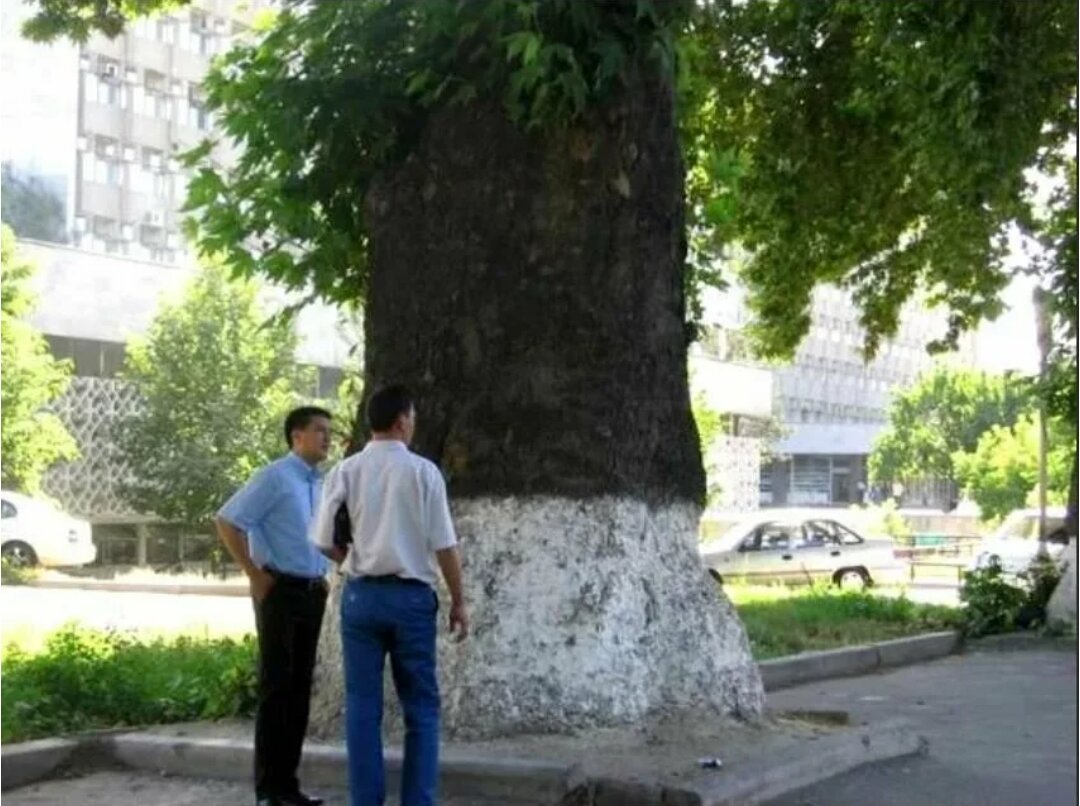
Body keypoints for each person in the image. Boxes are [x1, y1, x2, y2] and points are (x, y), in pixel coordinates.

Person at [311, 384, 468, 806]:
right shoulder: (423, 472)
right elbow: (444, 544)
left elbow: (323, 539)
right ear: (402, 421)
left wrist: (349, 558)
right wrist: (458, 600)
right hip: (411, 600)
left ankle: (367, 800)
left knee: (362, 706)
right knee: (421, 707)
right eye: (412, 418)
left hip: (360, 598)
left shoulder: (344, 472)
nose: (413, 425)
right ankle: (417, 800)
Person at [215, 406, 333, 806]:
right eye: (319, 430)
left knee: (300, 689)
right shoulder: (275, 477)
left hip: (312, 591)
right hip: (279, 590)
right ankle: (269, 790)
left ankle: (289, 785)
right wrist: (254, 574)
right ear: (296, 436)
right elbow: (228, 520)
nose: (327, 438)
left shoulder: (319, 484)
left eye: (328, 431)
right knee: (277, 688)